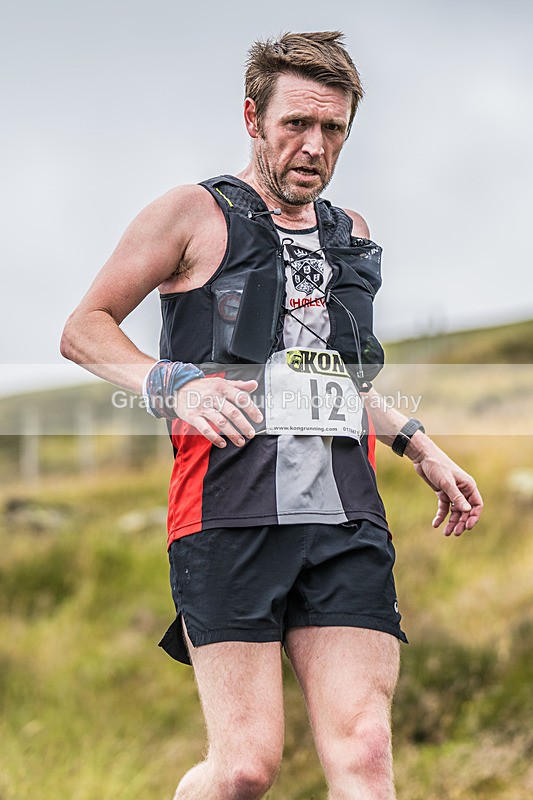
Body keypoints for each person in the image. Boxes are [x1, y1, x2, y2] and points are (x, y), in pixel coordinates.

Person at [61, 31, 483, 800]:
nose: (313, 145)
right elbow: (83, 328)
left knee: (362, 747)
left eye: (332, 130)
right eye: (296, 123)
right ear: (252, 117)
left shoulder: (347, 234)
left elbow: (327, 369)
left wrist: (418, 445)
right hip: (226, 514)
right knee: (245, 768)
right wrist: (174, 383)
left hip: (344, 517)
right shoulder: (191, 213)